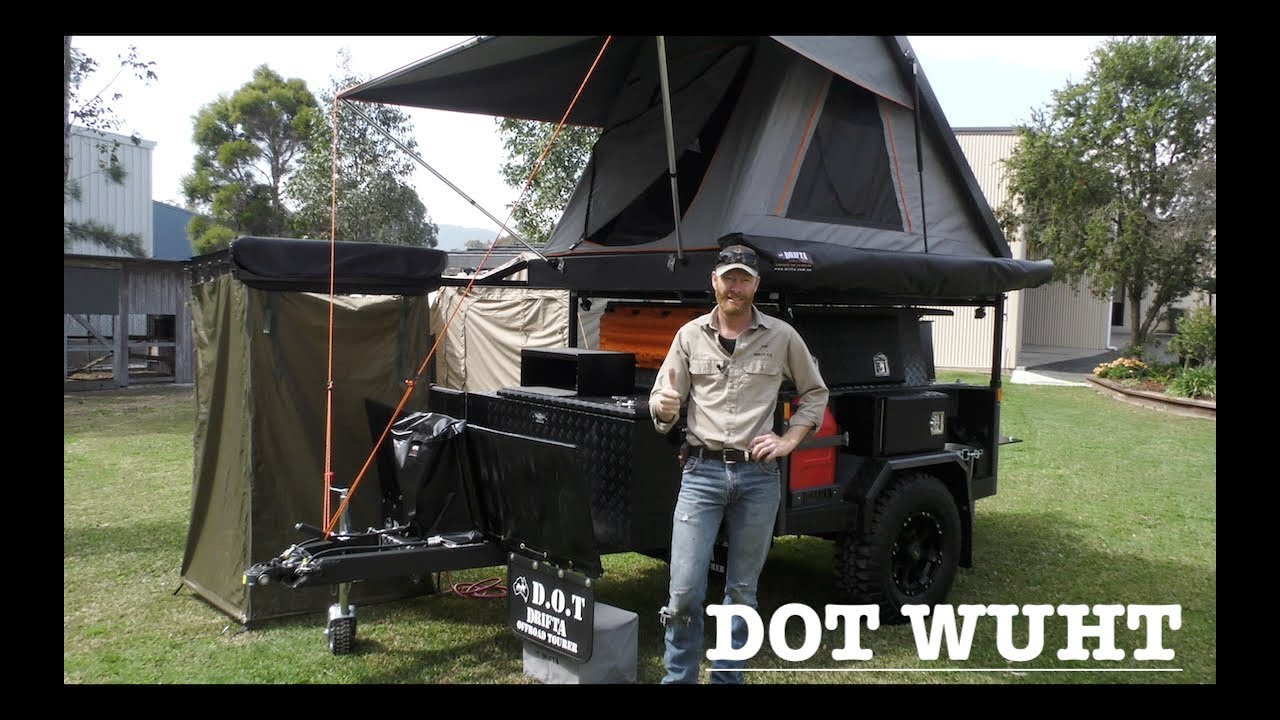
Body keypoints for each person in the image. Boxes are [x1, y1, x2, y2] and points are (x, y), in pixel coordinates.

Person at [649, 243, 830, 684]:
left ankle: (728, 679)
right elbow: (662, 401)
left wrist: (789, 440)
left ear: (756, 285)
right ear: (714, 281)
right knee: (684, 591)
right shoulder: (689, 336)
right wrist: (665, 408)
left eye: (743, 279)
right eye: (728, 277)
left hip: (758, 477)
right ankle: (679, 679)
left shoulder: (782, 337)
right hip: (701, 474)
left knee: (742, 593)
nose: (735, 286)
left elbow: (816, 393)